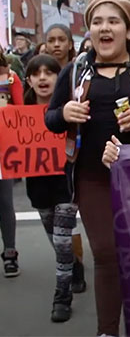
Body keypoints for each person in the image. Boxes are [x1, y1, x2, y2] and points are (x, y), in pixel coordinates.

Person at [45, 0, 130, 336]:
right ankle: (107, 331)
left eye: (113, 21)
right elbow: (51, 119)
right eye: (97, 22)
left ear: (128, 31)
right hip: (93, 178)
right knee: (105, 254)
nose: (104, 28)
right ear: (89, 31)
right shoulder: (75, 71)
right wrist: (64, 113)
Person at [23, 54, 83, 322]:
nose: (43, 78)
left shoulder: (72, 107)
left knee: (61, 239)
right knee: (55, 238)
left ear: (60, 79)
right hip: (38, 185)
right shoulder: (17, 111)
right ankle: (76, 267)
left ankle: (62, 296)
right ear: (29, 79)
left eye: (50, 72)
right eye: (37, 73)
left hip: (67, 180)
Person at [0, 51, 23, 278]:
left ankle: (10, 253)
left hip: (2, 148)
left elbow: (21, 111)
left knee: (5, 202)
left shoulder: (9, 77)